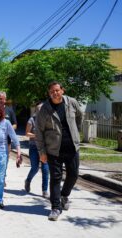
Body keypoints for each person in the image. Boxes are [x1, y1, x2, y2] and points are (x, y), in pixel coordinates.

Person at [35, 81, 82, 221]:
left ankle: (64, 195)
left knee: (73, 175)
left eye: (57, 90)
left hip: (72, 147)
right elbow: (39, 131)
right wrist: (42, 152)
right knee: (55, 178)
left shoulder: (72, 103)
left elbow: (80, 116)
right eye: (52, 91)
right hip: (53, 150)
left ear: (62, 90)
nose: (55, 93)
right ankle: (55, 207)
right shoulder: (44, 109)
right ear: (49, 93)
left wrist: (76, 133)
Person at [24, 102, 49, 198]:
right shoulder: (32, 120)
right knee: (35, 168)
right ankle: (28, 180)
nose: (40, 111)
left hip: (44, 148)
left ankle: (44, 190)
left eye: (42, 109)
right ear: (36, 111)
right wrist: (37, 136)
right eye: (38, 109)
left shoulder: (48, 120)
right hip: (34, 147)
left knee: (45, 169)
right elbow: (27, 133)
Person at [0, 91, 17, 187]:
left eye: (2, 99)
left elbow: (15, 124)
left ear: (5, 99)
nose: (0, 100)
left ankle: (2, 178)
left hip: (6, 142)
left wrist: (9, 129)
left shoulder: (10, 110)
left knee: (4, 161)